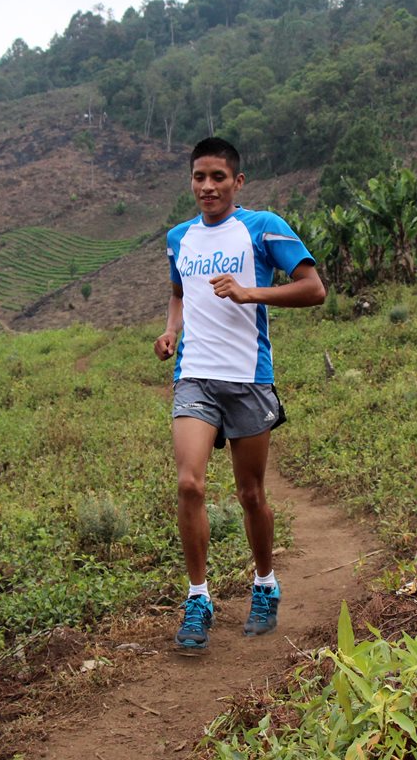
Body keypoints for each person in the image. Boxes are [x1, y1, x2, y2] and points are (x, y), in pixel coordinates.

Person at [153, 137, 325, 652]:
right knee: (189, 484)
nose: (208, 187)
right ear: (191, 181)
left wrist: (253, 292)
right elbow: (180, 291)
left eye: (218, 178)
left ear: (238, 182)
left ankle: (265, 584)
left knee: (251, 494)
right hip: (196, 377)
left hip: (249, 378)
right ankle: (198, 598)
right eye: (199, 177)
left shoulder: (262, 227)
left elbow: (313, 288)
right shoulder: (178, 238)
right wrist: (171, 331)